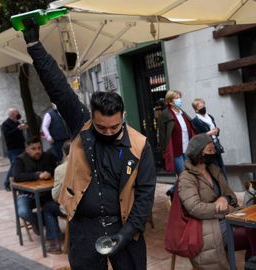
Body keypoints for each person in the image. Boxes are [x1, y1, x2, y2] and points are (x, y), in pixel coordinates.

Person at [23, 23, 156, 269]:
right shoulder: (81, 124)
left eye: (113, 128)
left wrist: (125, 235)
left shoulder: (140, 145)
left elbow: (145, 196)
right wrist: (34, 46)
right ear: (92, 118)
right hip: (84, 228)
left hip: (124, 227)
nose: (107, 132)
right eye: (101, 127)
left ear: (123, 118)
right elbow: (59, 89)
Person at [176, 133, 256, 270]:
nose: (214, 153)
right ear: (199, 153)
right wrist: (224, 210)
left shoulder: (214, 170)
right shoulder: (186, 178)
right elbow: (195, 208)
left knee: (255, 224)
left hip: (225, 219)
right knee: (251, 233)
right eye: (210, 150)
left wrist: (224, 198)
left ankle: (254, 261)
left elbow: (231, 196)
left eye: (214, 150)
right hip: (207, 226)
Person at [13, 136, 62, 254]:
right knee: (23, 211)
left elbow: (57, 167)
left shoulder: (47, 156)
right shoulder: (20, 159)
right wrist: (37, 175)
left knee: (48, 207)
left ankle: (53, 239)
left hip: (45, 194)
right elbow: (17, 176)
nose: (37, 151)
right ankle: (39, 223)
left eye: (39, 148)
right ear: (27, 149)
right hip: (27, 195)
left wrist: (49, 172)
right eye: (33, 149)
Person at [158, 90, 196, 196]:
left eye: (180, 97)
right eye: (177, 97)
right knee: (184, 175)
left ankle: (173, 190)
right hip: (175, 151)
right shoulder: (165, 115)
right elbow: (162, 135)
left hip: (187, 150)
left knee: (187, 175)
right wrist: (164, 151)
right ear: (170, 102)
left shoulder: (182, 113)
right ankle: (186, 198)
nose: (179, 99)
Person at [190, 98, 226, 177]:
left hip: (215, 145)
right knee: (214, 169)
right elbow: (198, 137)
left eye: (204, 105)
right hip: (207, 148)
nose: (203, 108)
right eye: (200, 107)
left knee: (221, 168)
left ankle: (224, 187)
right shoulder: (196, 121)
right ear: (196, 110)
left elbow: (215, 130)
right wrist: (209, 133)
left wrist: (217, 130)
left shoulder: (210, 117)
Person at [1, 108, 27, 191]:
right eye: (17, 113)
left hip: (21, 147)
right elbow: (8, 135)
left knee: (21, 164)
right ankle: (7, 183)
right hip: (13, 149)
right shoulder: (5, 124)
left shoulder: (17, 122)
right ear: (12, 114)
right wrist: (18, 128)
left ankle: (19, 181)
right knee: (14, 165)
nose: (18, 114)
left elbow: (20, 135)